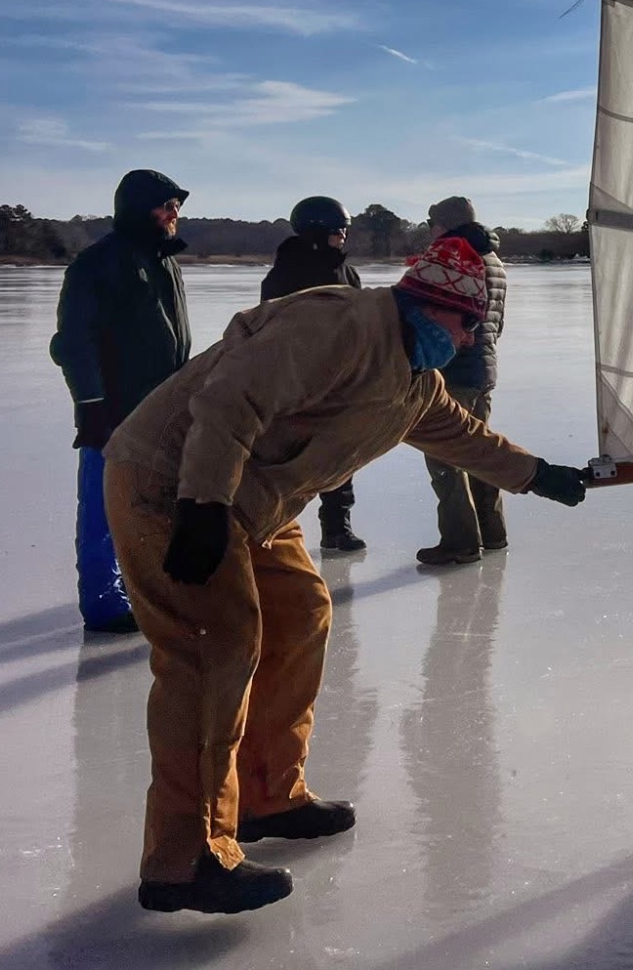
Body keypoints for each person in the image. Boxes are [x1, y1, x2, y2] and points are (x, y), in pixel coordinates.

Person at [103, 235, 592, 915]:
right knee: (212, 649)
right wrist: (203, 504)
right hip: (174, 483)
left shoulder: (415, 382)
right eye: (468, 324)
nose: (472, 338)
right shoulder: (339, 324)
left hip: (253, 501)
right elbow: (229, 400)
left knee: (302, 612)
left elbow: (464, 437)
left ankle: (268, 795)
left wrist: (539, 475)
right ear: (435, 305)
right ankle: (184, 859)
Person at [49, 169, 193, 635]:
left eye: (177, 207)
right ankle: (104, 604)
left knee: (157, 507)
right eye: (167, 206)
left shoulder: (164, 262)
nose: (174, 215)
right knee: (104, 509)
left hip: (163, 409)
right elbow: (73, 342)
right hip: (112, 411)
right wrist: (91, 405)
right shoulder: (97, 264)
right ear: (140, 207)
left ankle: (146, 590)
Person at [259, 196, 364, 552]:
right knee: (289, 460)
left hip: (341, 380)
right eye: (337, 230)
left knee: (339, 457)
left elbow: (363, 321)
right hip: (297, 382)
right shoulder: (286, 274)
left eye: (345, 230)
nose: (343, 236)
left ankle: (337, 527)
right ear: (316, 232)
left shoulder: (347, 271)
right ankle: (272, 530)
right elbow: (269, 328)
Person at [416, 196, 511, 567]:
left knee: (444, 455)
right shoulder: (495, 261)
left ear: (443, 226)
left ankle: (459, 542)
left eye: (430, 224)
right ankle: (493, 532)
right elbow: (497, 323)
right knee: (478, 450)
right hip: (483, 369)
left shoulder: (453, 259)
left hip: (451, 372)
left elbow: (433, 320)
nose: (429, 231)